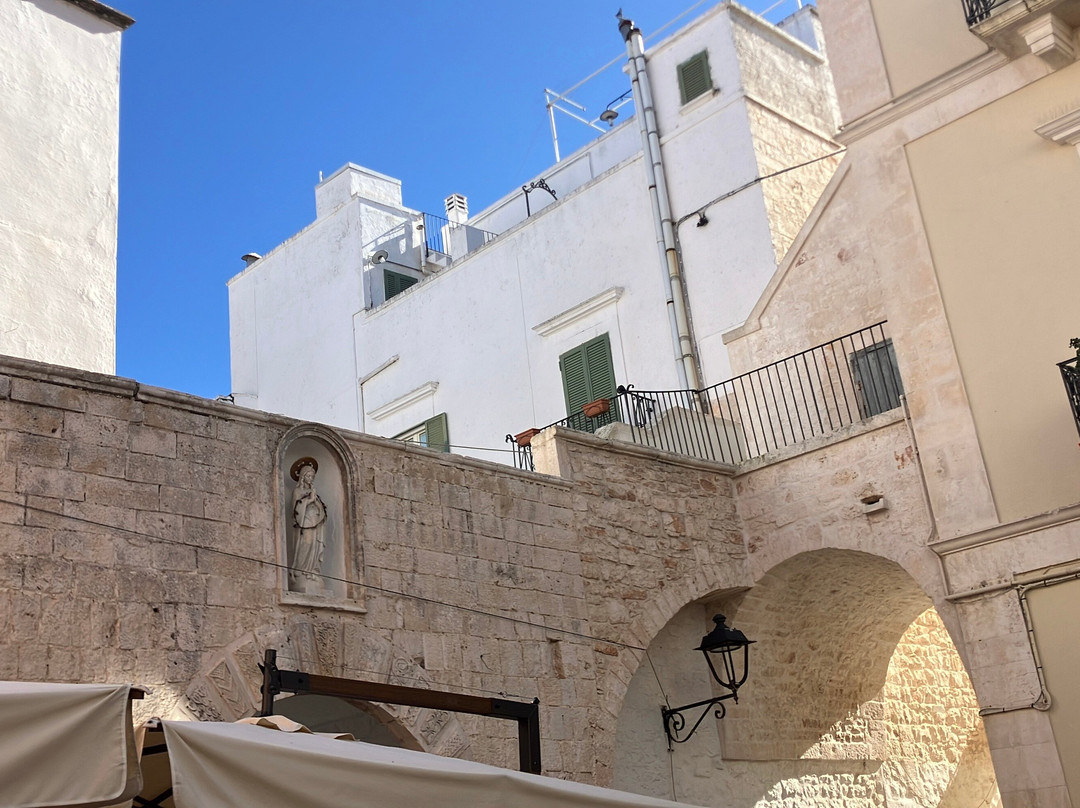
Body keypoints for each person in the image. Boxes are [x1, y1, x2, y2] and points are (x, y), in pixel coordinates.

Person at [289, 457, 328, 593]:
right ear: (303, 477)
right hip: (304, 523)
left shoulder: (314, 492)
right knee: (305, 544)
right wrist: (309, 501)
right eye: (309, 476)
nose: (311, 479)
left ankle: (312, 571)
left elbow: (322, 510)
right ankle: (301, 571)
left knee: (315, 547)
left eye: (313, 476)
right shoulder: (297, 492)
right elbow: (295, 510)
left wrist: (315, 501)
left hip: (315, 523)